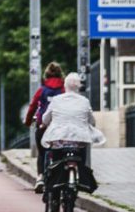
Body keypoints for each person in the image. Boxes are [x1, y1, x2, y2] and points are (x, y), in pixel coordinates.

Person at [39, 72, 107, 203]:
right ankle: (78, 180)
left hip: (59, 139)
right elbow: (91, 121)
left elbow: (46, 118)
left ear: (65, 86)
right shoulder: (85, 101)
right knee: (81, 160)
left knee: (56, 163)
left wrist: (45, 123)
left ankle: (53, 192)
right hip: (79, 141)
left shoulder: (57, 100)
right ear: (78, 87)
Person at [25, 64, 66, 181]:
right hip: (60, 127)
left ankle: (40, 177)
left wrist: (28, 122)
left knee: (42, 152)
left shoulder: (41, 90)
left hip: (43, 125)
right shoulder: (63, 90)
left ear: (46, 75)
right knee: (60, 152)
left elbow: (32, 106)